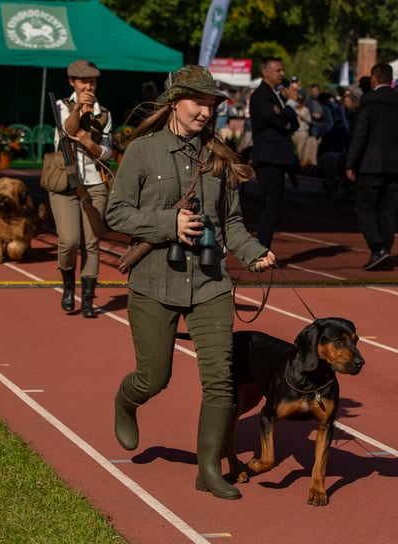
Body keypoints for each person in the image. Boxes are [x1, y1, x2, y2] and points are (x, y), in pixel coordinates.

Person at [106, 65, 276, 500]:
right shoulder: (142, 151)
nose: (205, 111)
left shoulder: (218, 156)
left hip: (210, 282)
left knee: (220, 380)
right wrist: (169, 222)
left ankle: (208, 471)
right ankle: (127, 402)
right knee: (154, 377)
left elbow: (231, 222)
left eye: (211, 105)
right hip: (153, 282)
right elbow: (117, 212)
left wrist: (254, 253)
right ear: (174, 103)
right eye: (198, 103)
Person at [51, 59, 112, 317]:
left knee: (91, 242)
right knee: (68, 241)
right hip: (65, 183)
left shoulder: (104, 113)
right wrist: (79, 109)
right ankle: (67, 287)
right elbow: (68, 130)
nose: (89, 85)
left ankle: (87, 298)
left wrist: (90, 143)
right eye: (84, 81)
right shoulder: (62, 106)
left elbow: (107, 152)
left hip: (94, 184)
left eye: (93, 81)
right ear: (72, 82)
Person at [345, 63, 398, 271]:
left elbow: (361, 133)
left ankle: (377, 248)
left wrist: (351, 161)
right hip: (396, 164)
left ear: (374, 79)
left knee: (365, 207)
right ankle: (385, 249)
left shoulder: (369, 101)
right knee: (388, 210)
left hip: (371, 163)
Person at [249, 57, 299, 248]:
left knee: (275, 203)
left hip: (278, 155)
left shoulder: (277, 96)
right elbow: (274, 120)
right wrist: (288, 109)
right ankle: (262, 246)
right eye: (278, 70)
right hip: (268, 156)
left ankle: (263, 244)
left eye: (282, 70)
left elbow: (292, 123)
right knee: (271, 203)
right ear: (266, 72)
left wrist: (284, 111)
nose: (282, 74)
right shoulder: (261, 95)